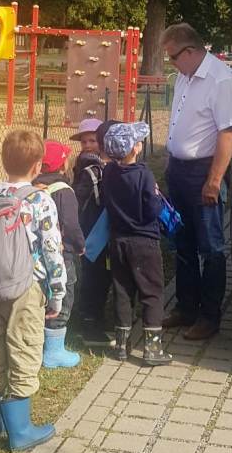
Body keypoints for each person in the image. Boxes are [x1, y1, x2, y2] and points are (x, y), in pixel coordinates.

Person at [0, 130, 66, 452]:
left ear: (3, 160)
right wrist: (57, 292)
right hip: (27, 288)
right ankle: (21, 431)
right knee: (24, 350)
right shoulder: (40, 200)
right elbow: (52, 249)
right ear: (38, 166)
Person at [160, 22, 232, 340]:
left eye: (173, 57)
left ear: (191, 51)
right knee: (183, 242)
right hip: (179, 170)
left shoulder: (221, 80)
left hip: (204, 172)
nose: (171, 63)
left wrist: (214, 180)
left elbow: (228, 132)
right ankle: (186, 307)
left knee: (210, 248)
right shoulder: (185, 76)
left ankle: (209, 316)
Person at [101, 122, 172, 366]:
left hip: (118, 240)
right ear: (134, 149)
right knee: (151, 292)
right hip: (144, 241)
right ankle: (152, 348)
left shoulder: (108, 173)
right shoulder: (144, 175)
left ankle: (121, 344)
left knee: (122, 290)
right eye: (138, 141)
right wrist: (157, 195)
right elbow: (152, 209)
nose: (141, 143)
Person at [33, 140, 84, 368]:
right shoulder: (64, 191)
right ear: (63, 165)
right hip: (62, 255)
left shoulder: (33, 188)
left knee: (42, 294)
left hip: (37, 255)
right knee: (63, 294)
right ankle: (54, 350)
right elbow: (71, 224)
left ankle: (39, 341)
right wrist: (79, 244)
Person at [71, 118, 111, 341]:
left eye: (92, 141)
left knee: (96, 273)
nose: (87, 145)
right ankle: (89, 318)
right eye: (84, 141)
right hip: (92, 227)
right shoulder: (91, 168)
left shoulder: (93, 166)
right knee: (94, 274)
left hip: (94, 227)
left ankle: (93, 314)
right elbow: (81, 199)